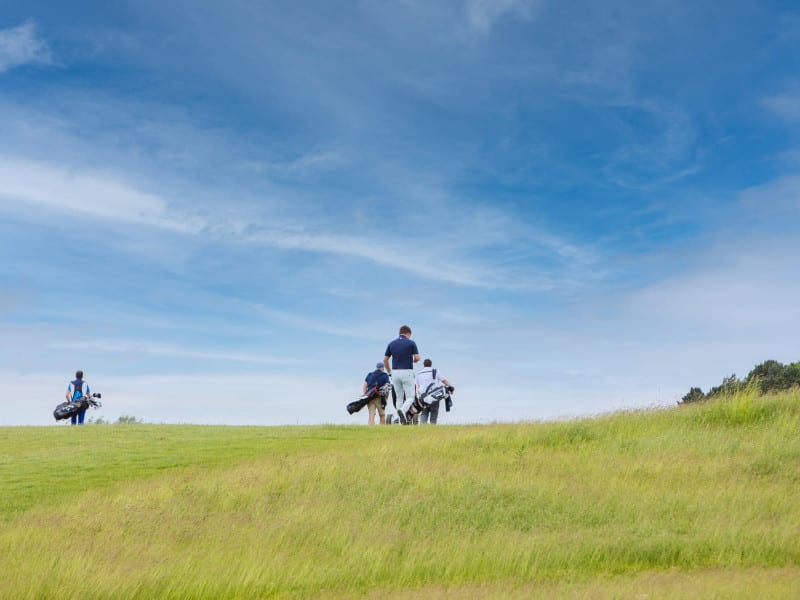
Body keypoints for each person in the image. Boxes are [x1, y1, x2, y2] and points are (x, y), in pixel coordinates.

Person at [383, 324, 420, 424]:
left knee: (399, 397)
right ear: (408, 334)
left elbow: (385, 359)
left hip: (394, 373)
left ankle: (399, 420)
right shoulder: (411, 343)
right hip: (407, 371)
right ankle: (402, 411)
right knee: (410, 397)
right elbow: (417, 358)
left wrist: (389, 371)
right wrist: (414, 361)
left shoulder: (391, 343)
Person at [415, 359, 454, 425]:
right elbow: (444, 381)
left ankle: (422, 429)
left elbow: (417, 387)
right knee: (434, 415)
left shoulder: (418, 374)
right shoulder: (436, 371)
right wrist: (451, 388)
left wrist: (418, 397)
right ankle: (432, 429)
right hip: (434, 397)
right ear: (431, 364)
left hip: (423, 398)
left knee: (424, 414)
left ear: (423, 365)